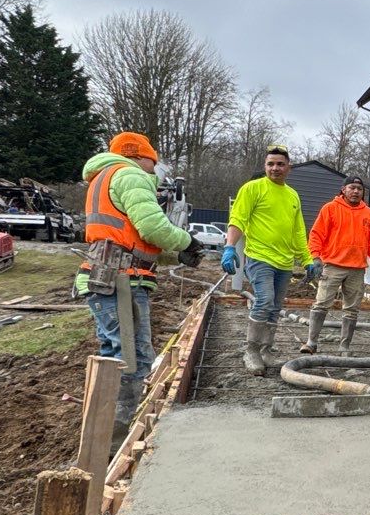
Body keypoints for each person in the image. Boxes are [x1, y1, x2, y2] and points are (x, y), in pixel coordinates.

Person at [76, 132, 197, 427]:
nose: (154, 170)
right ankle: (119, 432)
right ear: (140, 156)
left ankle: (101, 425)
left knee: (112, 356)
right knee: (134, 359)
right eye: (153, 163)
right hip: (120, 281)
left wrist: (176, 257)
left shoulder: (103, 177)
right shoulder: (130, 175)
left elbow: (130, 242)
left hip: (105, 276)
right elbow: (153, 227)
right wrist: (187, 242)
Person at [220, 146, 316, 376]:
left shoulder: (292, 195)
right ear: (265, 166)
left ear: (288, 167)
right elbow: (238, 219)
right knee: (264, 300)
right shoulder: (253, 188)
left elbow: (298, 231)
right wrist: (230, 247)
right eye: (270, 164)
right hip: (259, 257)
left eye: (280, 164)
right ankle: (251, 351)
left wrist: (307, 259)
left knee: (274, 307)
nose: (275, 168)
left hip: (284, 262)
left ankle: (266, 350)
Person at [300, 174, 370, 357]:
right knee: (321, 304)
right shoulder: (330, 209)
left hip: (357, 269)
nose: (355, 191)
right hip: (332, 265)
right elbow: (316, 234)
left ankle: (344, 347)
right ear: (344, 190)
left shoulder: (369, 214)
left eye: (359, 189)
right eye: (352, 188)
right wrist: (315, 258)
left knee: (352, 309)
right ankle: (311, 342)